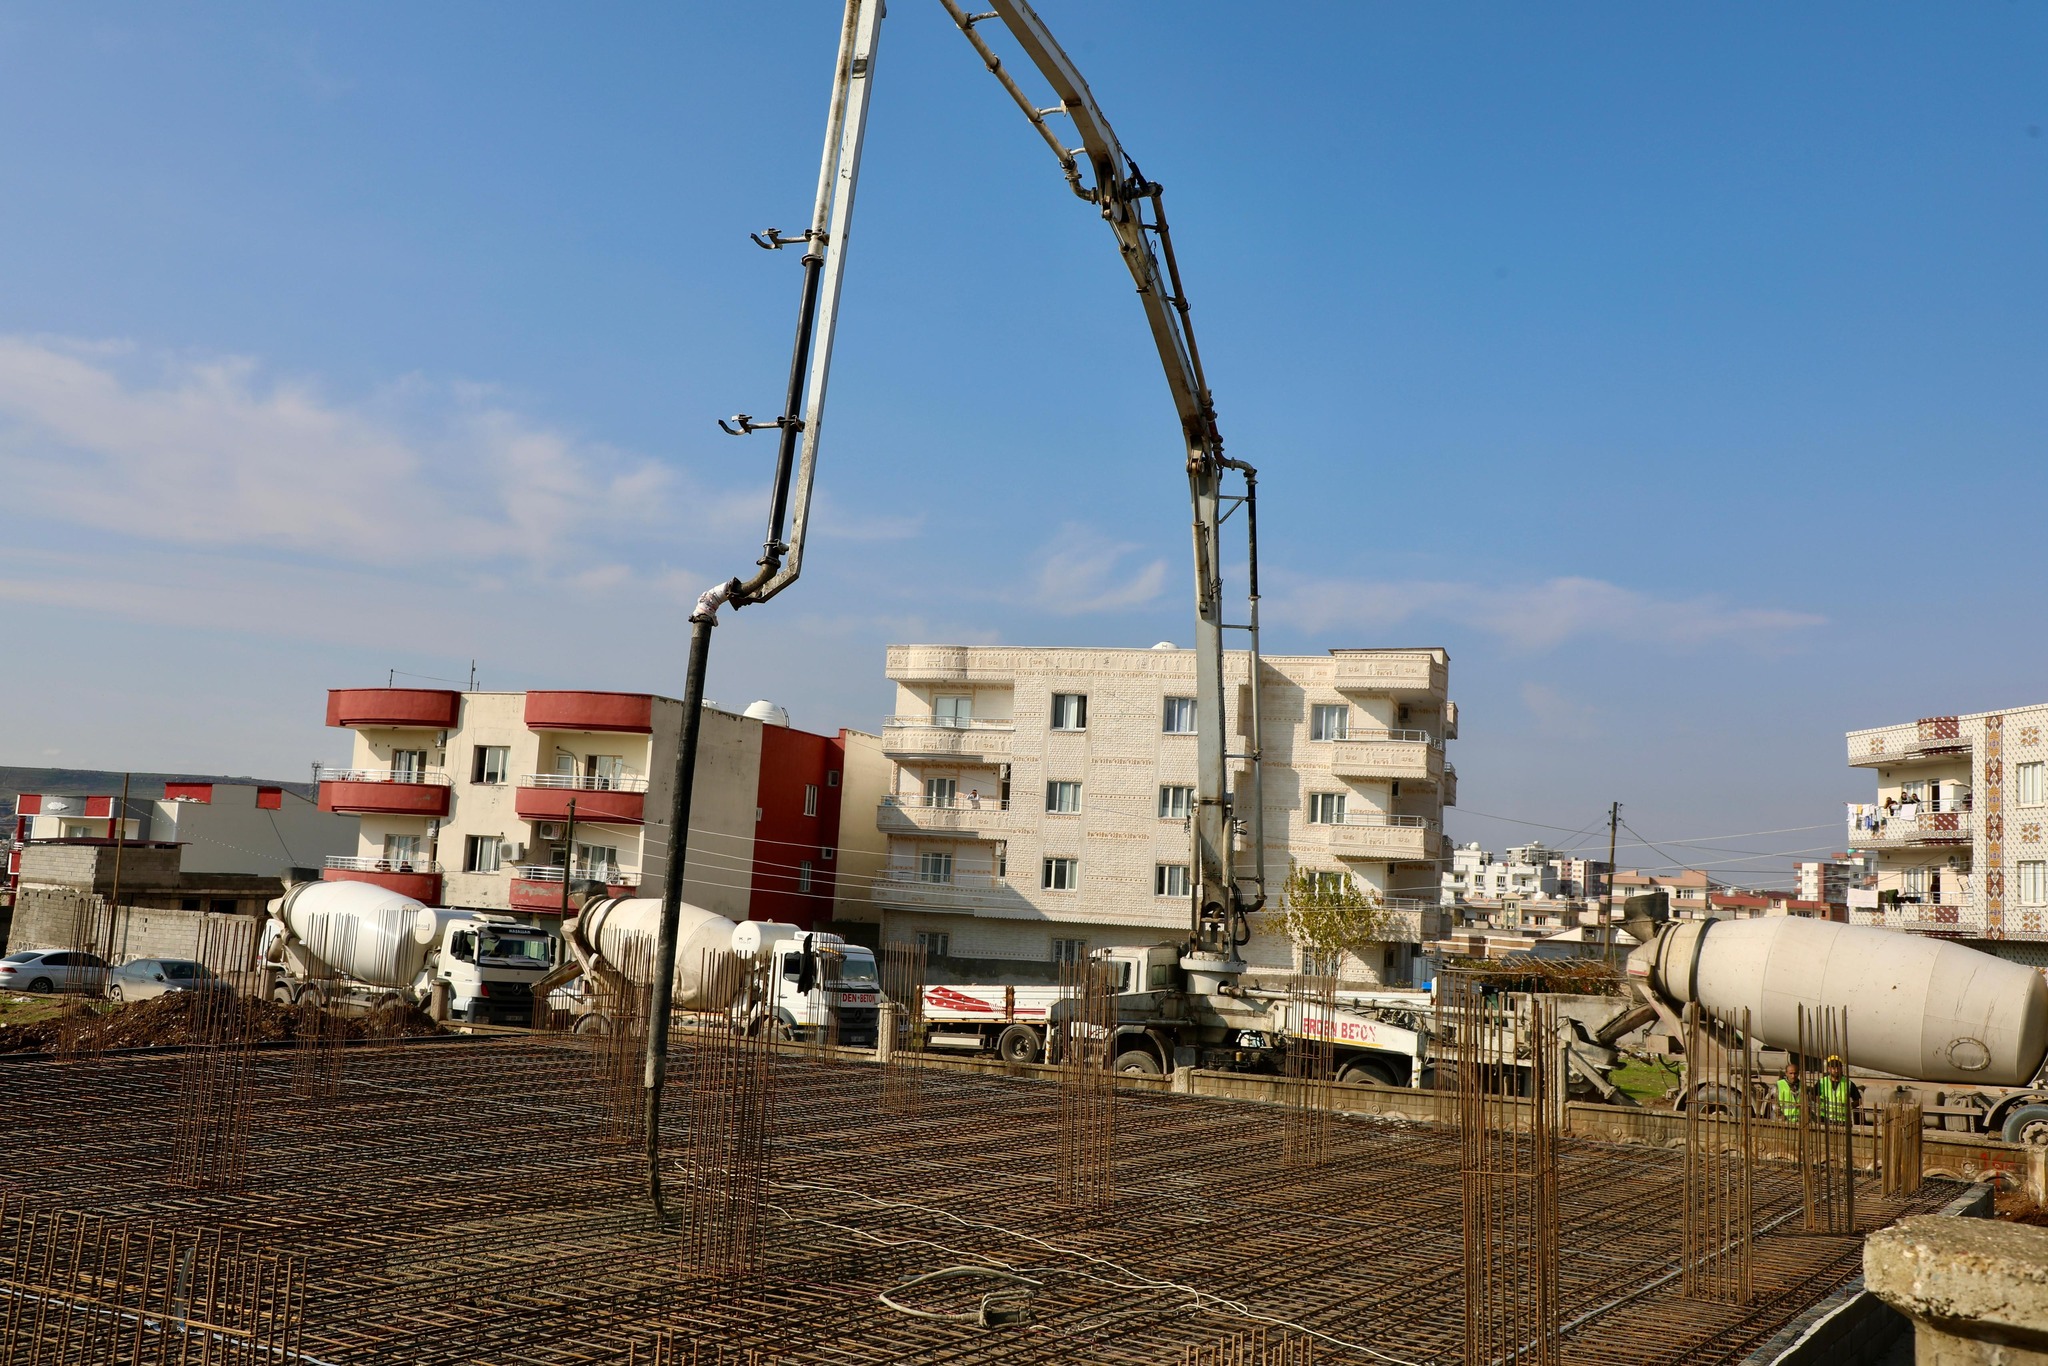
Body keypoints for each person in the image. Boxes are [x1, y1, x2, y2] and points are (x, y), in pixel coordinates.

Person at [1816, 1054, 1860, 1125]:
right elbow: (1811, 1095)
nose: (1836, 1070)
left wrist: (1849, 1106)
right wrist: (1819, 1103)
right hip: (1825, 1120)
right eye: (1833, 1068)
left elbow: (1858, 1100)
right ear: (1828, 1069)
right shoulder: (1822, 1082)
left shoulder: (1848, 1083)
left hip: (1842, 1121)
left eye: (1838, 1068)